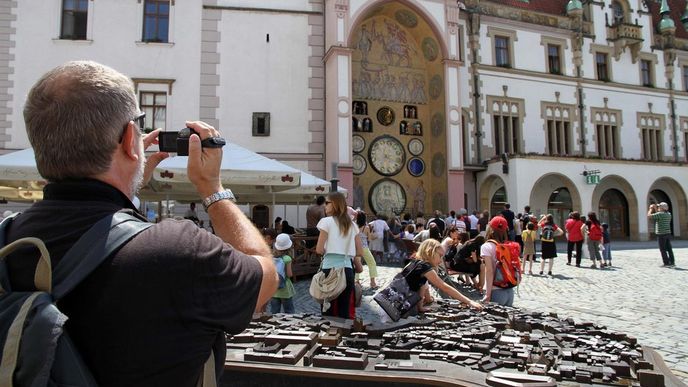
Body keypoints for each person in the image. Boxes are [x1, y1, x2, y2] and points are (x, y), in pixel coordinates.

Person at [8, 61, 278, 386]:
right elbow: (265, 275)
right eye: (138, 126)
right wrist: (213, 188)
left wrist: (128, 184)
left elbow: (103, 232)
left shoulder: (9, 239)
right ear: (126, 139)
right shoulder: (179, 250)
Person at [315, 192, 364, 319]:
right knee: (345, 311)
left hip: (329, 269)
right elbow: (360, 252)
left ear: (335, 204)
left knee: (327, 311)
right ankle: (344, 336)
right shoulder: (352, 225)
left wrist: (332, 248)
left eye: (327, 203)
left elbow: (319, 249)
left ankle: (328, 337)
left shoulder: (326, 222)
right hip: (347, 269)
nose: (324, 206)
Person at [404, 239, 483, 314]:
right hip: (401, 305)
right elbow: (444, 287)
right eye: (440, 256)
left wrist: (421, 306)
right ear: (430, 252)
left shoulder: (415, 262)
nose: (441, 260)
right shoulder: (424, 267)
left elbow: (422, 286)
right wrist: (469, 301)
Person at [481, 216, 515, 306]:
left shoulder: (486, 246)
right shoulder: (508, 246)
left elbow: (489, 271)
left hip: (495, 291)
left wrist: (488, 294)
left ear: (490, 228)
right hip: (509, 291)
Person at [271, 233, 296, 314]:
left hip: (274, 289)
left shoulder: (271, 258)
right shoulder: (287, 258)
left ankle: (274, 326)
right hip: (285, 289)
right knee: (289, 311)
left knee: (274, 312)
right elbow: (289, 274)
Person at [355, 211, 378, 289]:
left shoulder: (354, 226)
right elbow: (370, 239)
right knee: (372, 263)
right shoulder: (366, 227)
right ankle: (372, 282)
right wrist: (373, 234)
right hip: (364, 248)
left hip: (356, 248)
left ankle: (357, 281)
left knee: (357, 264)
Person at [648, 202, 675, 267]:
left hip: (661, 234)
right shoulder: (669, 214)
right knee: (669, 248)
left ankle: (666, 263)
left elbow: (649, 216)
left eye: (659, 207)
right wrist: (656, 209)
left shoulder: (660, 214)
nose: (658, 208)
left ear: (662, 208)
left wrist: (651, 209)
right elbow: (659, 215)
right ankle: (672, 262)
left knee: (662, 249)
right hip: (667, 233)